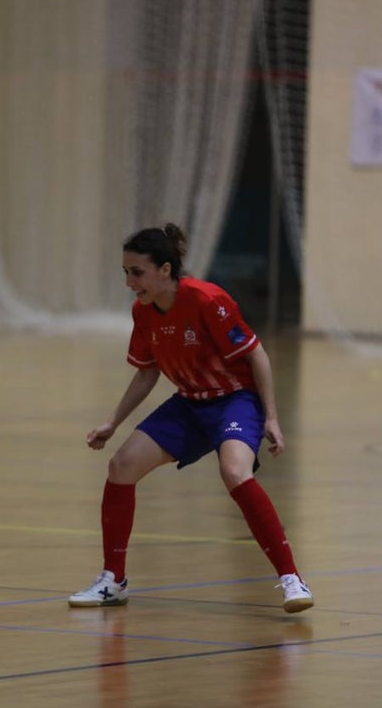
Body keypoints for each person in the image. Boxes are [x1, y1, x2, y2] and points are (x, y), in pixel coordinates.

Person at [68, 224, 314, 614]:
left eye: (137, 272)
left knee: (235, 472)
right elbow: (147, 371)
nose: (130, 282)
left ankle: (291, 578)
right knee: (121, 466)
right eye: (125, 273)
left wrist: (272, 417)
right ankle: (113, 580)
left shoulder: (207, 300)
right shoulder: (143, 311)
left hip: (234, 400)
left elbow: (257, 354)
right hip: (189, 404)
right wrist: (113, 422)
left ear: (165, 270)